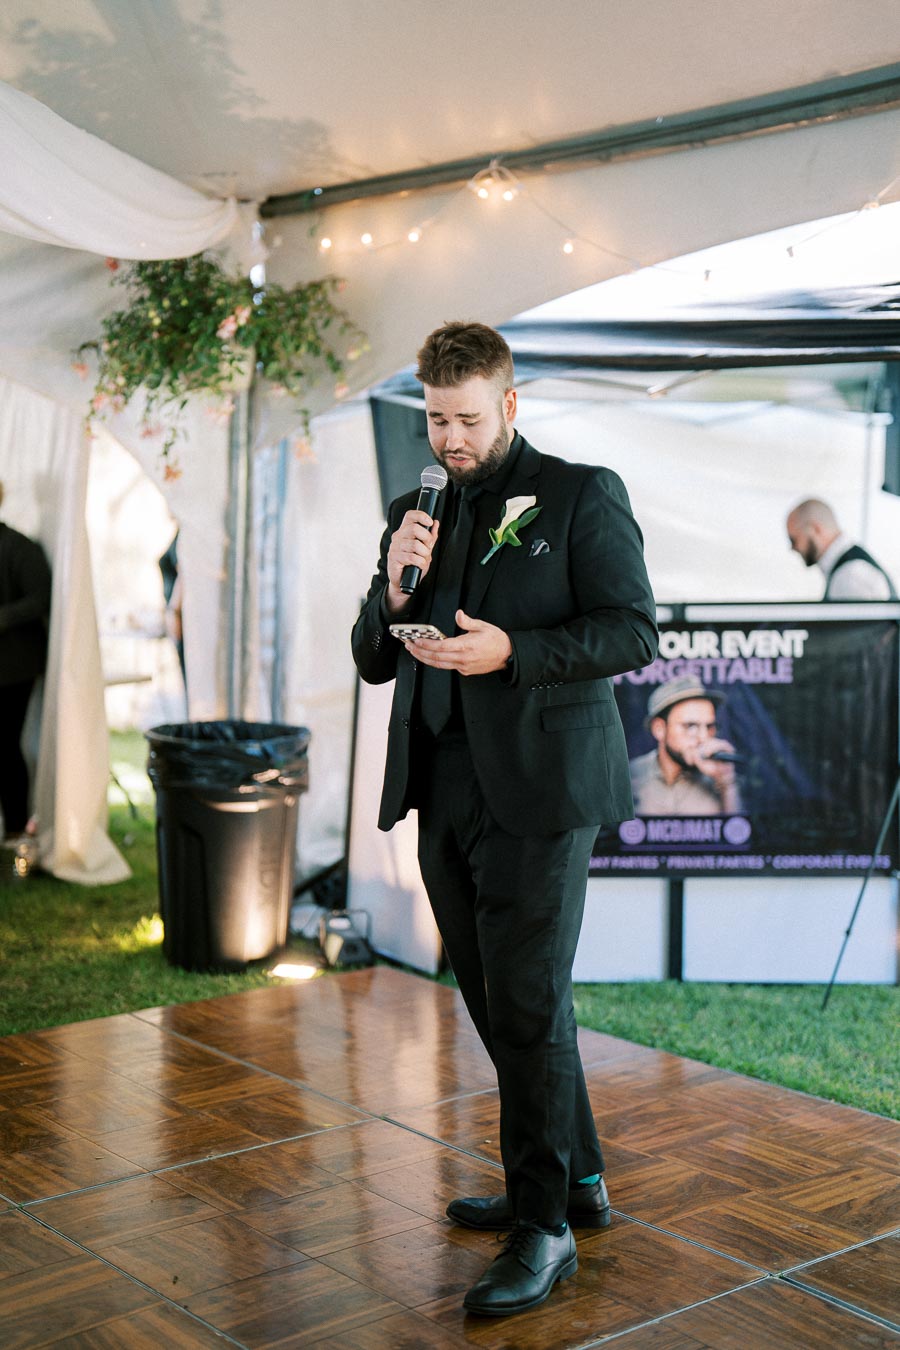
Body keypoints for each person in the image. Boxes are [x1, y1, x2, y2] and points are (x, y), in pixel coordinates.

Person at [352, 321, 657, 1318]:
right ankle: (574, 1180)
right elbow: (372, 654)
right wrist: (392, 577)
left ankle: (543, 1231)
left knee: (525, 999)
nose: (449, 437)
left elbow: (630, 630)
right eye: (435, 419)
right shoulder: (415, 508)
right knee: (495, 999)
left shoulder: (580, 493)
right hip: (440, 788)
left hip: (542, 785)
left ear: (510, 404)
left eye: (467, 419)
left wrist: (512, 653)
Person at [0, 482, 52, 842]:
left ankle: (16, 831)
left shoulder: (20, 547)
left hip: (12, 667)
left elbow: (42, 598)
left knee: (5, 746)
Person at [629, 676, 741, 816]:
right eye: (691, 726)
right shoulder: (629, 776)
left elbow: (737, 831)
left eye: (709, 726)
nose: (703, 737)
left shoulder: (718, 777)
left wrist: (726, 783)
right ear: (659, 729)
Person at [786, 499, 897, 600]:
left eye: (793, 539)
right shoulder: (847, 570)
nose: (792, 548)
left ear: (816, 530)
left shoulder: (851, 576)